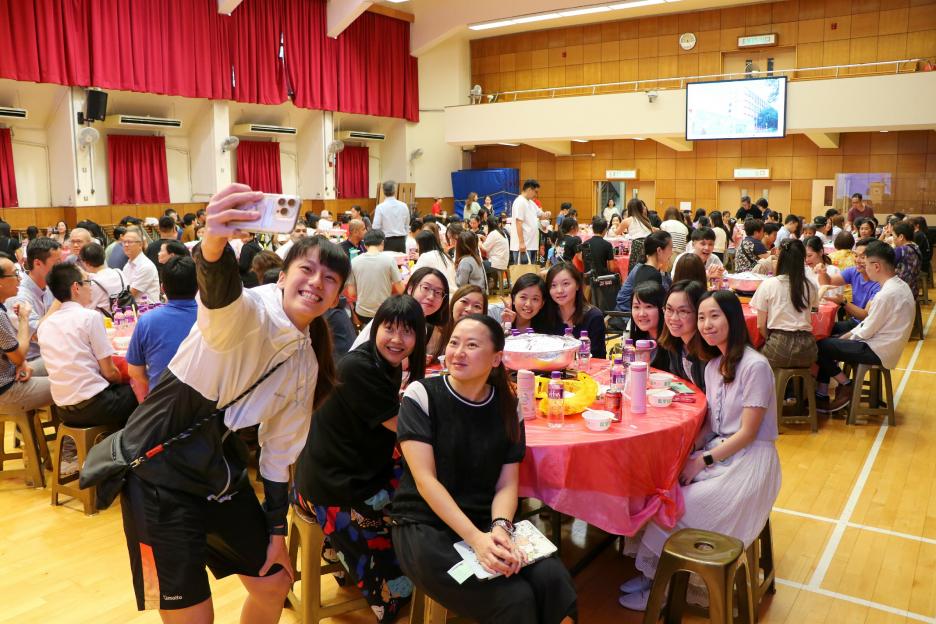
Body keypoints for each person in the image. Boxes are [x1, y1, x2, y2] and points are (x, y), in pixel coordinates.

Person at [117, 183, 350, 622]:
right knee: (192, 616)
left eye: (330, 279)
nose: (316, 282)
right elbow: (221, 300)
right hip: (156, 470)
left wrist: (277, 531)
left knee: (275, 582)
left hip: (218, 469)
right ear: (283, 276)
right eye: (307, 269)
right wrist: (213, 243)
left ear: (337, 298)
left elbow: (279, 452)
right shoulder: (251, 310)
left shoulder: (306, 362)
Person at [392, 314, 578, 624]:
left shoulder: (509, 406)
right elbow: (425, 482)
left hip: (487, 521)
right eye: (454, 343)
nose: (458, 352)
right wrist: (476, 540)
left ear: (495, 358)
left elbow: (507, 484)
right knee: (514, 599)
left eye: (471, 345)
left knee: (553, 581)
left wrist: (500, 529)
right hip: (426, 526)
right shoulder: (422, 395)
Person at [620, 291, 780, 612]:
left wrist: (701, 461)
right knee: (661, 488)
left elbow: (747, 433)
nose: (706, 324)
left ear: (733, 319)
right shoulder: (713, 366)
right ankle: (655, 577)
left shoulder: (755, 366)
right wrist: (689, 452)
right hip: (720, 452)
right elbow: (711, 424)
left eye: (714, 316)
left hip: (751, 462)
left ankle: (665, 590)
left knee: (678, 507)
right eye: (703, 317)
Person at [292, 296, 426, 622]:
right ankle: (385, 582)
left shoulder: (383, 363)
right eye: (389, 328)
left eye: (407, 332)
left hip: (347, 468)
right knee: (418, 510)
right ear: (374, 327)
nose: (396, 339)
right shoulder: (358, 368)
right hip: (333, 485)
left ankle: (342, 551)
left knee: (419, 490)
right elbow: (405, 428)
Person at [815, 241, 915, 412]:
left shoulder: (886, 294)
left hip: (877, 349)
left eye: (866, 263)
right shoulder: (899, 285)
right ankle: (828, 389)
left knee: (819, 345)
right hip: (884, 344)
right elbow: (868, 325)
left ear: (876, 266)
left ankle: (846, 384)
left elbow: (866, 330)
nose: (865, 268)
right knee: (829, 339)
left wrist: (843, 339)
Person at [37, 264, 138, 427]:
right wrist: (123, 379)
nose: (91, 287)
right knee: (141, 389)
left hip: (63, 409)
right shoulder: (89, 317)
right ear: (76, 287)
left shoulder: (45, 325)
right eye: (88, 282)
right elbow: (110, 373)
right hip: (95, 406)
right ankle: (122, 441)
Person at [125, 256, 198, 397]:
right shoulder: (211, 319)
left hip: (162, 401)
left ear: (162, 288)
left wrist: (159, 386)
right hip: (207, 403)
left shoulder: (147, 321)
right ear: (199, 286)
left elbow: (134, 371)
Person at [351, 267, 450, 359]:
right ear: (410, 288)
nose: (431, 297)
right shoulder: (394, 316)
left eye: (438, 292)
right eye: (426, 288)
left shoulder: (422, 325)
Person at [750, 239, 819, 369]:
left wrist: (771, 339)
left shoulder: (769, 284)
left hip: (779, 346)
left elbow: (760, 325)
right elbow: (814, 313)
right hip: (808, 349)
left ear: (780, 259)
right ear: (802, 260)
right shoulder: (811, 285)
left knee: (751, 355)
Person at [0, 255, 51, 413]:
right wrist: (23, 318)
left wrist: (20, 363)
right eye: (15, 274)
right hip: (6, 389)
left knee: (61, 359)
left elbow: (16, 356)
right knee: (72, 383)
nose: (20, 279)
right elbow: (20, 355)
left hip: (9, 371)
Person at [7, 237, 63, 372]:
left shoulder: (49, 285)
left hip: (51, 351)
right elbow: (39, 335)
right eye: (57, 263)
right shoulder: (19, 295)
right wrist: (62, 297)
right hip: (30, 360)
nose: (61, 267)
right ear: (37, 263)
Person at [815, 237, 880, 335]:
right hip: (855, 322)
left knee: (823, 339)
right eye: (856, 255)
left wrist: (843, 303)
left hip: (867, 327)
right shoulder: (854, 271)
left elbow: (865, 316)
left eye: (863, 257)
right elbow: (828, 282)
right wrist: (822, 272)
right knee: (819, 328)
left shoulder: (879, 283)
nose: (857, 260)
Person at [543, 262, 606, 359]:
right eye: (553, 285)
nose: (559, 290)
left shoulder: (593, 317)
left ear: (577, 285)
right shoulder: (545, 316)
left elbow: (599, 358)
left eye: (565, 284)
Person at [657, 280, 709, 390]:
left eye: (683, 311)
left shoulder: (708, 351)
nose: (673, 318)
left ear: (699, 313)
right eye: (669, 309)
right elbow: (679, 385)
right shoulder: (675, 344)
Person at [347, 229, 405, 326]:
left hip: (362, 313)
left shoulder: (354, 261)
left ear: (365, 245)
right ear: (382, 242)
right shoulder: (389, 260)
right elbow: (401, 290)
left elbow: (351, 293)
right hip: (384, 312)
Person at [615, 231, 672, 314]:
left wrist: (663, 272)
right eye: (670, 248)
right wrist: (663, 273)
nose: (672, 252)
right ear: (659, 250)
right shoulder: (647, 272)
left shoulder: (651, 268)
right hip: (627, 314)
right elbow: (661, 299)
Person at [629, 281, 668, 370]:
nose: (642, 314)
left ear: (662, 309)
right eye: (636, 307)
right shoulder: (640, 339)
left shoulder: (672, 343)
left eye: (648, 306)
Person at [80, 243, 126, 316]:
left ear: (86, 263)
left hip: (107, 321)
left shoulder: (94, 285)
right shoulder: (118, 272)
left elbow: (86, 310)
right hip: (126, 315)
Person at [120, 228, 161, 303]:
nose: (126, 245)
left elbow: (130, 295)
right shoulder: (127, 265)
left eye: (130, 242)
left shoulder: (146, 266)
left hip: (147, 308)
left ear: (140, 245)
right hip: (132, 307)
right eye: (124, 242)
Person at [616, 198, 654, 273]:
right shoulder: (645, 219)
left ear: (629, 209)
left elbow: (616, 233)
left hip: (637, 245)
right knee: (646, 267)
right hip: (649, 244)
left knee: (634, 268)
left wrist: (616, 226)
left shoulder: (627, 220)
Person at [509, 179, 541, 265]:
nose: (536, 195)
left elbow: (540, 214)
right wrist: (521, 243)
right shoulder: (519, 202)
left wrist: (546, 214)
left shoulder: (531, 202)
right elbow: (518, 222)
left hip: (531, 244)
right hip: (524, 245)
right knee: (523, 272)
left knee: (530, 272)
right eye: (535, 192)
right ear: (529, 189)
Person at [373, 181, 411, 253]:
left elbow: (375, 227)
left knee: (387, 260)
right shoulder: (404, 205)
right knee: (401, 260)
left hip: (386, 241)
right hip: (401, 241)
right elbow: (407, 224)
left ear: (383, 192)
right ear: (395, 191)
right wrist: (404, 237)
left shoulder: (380, 207)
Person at [893, 221, 922, 295]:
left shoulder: (900, 250)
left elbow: (887, 267)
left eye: (893, 236)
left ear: (901, 237)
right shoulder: (915, 246)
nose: (893, 239)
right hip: (913, 290)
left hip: (900, 291)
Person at [481, 216, 510, 281]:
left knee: (478, 265)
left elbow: (484, 248)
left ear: (489, 225)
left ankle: (485, 284)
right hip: (503, 263)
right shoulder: (502, 232)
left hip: (496, 264)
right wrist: (485, 238)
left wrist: (479, 242)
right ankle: (491, 283)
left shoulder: (493, 233)